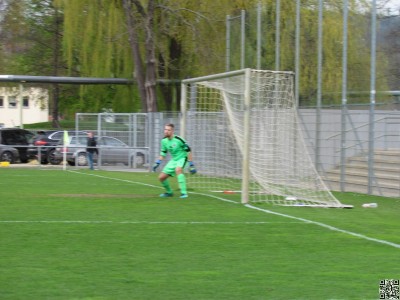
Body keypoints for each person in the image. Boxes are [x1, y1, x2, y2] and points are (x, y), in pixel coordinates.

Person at [152, 123, 197, 198]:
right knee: (161, 177)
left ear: (172, 131)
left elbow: (188, 150)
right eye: (165, 129)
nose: (166, 131)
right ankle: (169, 192)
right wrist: (158, 162)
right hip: (174, 160)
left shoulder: (179, 139)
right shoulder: (164, 141)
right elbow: (163, 152)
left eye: (168, 130)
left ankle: (184, 193)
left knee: (178, 170)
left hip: (183, 158)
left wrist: (191, 164)